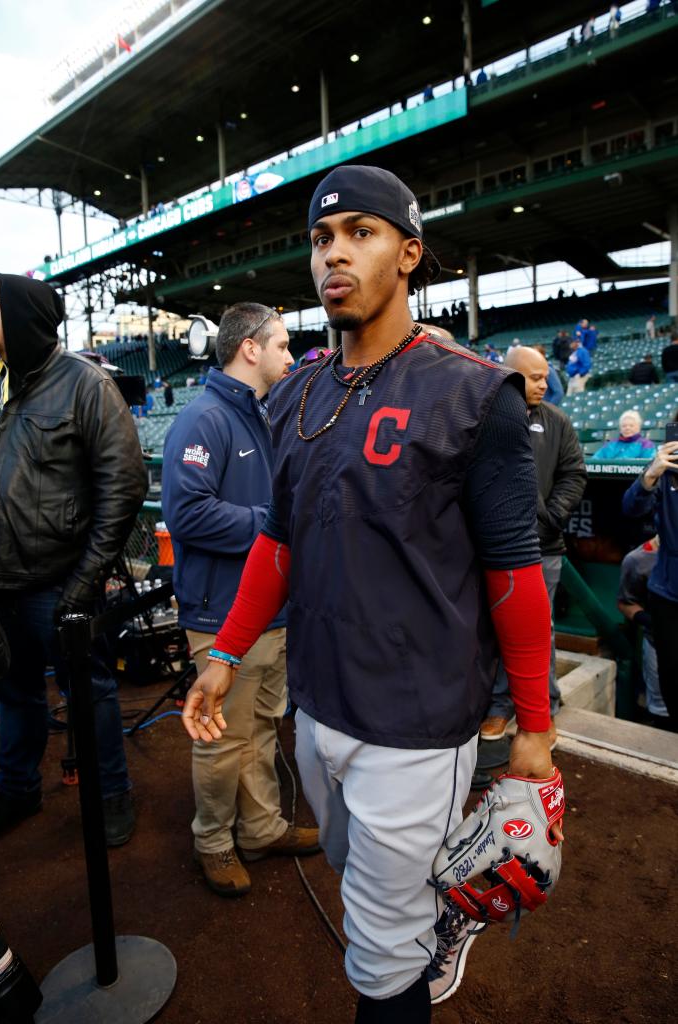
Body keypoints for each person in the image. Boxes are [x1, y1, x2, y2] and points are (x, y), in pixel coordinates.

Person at [181, 165, 561, 1021]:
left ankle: (413, 959)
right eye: (321, 239)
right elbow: (278, 546)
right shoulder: (299, 391)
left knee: (379, 960)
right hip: (316, 703)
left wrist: (532, 728)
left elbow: (514, 580)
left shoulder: (473, 392)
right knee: (354, 877)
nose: (335, 255)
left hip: (417, 724)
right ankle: (424, 917)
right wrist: (228, 652)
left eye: (361, 232)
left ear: (409, 253)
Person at [161, 303, 319, 897]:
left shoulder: (265, 413)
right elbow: (188, 513)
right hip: (221, 614)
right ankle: (214, 842)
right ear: (249, 349)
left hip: (270, 612)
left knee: (258, 732)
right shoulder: (204, 418)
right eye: (280, 345)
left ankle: (260, 829)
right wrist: (273, 522)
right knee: (223, 738)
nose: (288, 355)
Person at [0, 273, 147, 844]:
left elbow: (125, 485)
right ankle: (16, 789)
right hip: (2, 581)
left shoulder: (84, 383)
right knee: (14, 692)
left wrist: (85, 579)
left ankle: (111, 796)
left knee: (93, 691)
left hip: (60, 581)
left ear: (18, 312)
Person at [481, 347, 586, 744]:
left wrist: (549, 518)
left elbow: (574, 475)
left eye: (546, 376)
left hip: (543, 548)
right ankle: (497, 706)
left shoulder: (557, 421)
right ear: (511, 375)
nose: (545, 384)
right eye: (536, 377)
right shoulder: (485, 415)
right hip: (492, 548)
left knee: (541, 631)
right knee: (494, 629)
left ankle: (545, 709)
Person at [622, 423, 678, 732]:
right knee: (670, 680)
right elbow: (631, 508)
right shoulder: (668, 467)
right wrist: (650, 474)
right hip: (668, 591)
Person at [617, 536, 669, 725]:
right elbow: (625, 603)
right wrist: (650, 621)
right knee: (663, 711)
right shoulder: (640, 559)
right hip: (660, 645)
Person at [591, 410, 656, 461]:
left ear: (638, 427)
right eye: (624, 426)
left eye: (631, 425)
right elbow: (595, 460)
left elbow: (648, 465)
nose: (627, 428)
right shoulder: (610, 444)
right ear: (620, 428)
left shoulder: (646, 445)